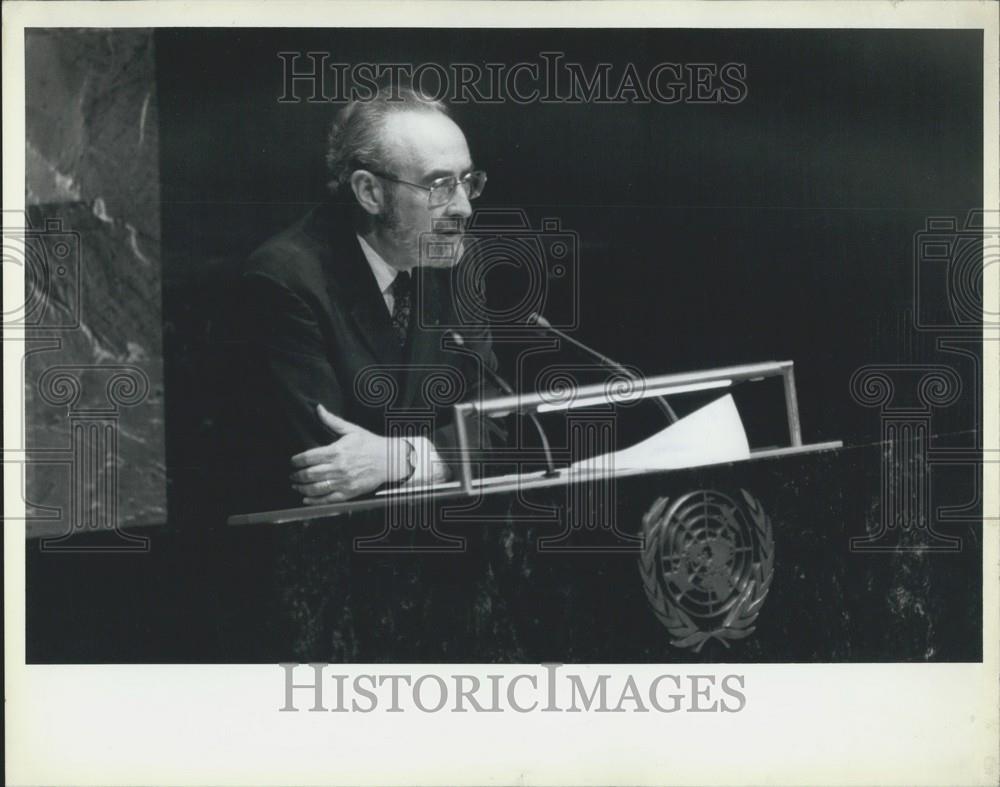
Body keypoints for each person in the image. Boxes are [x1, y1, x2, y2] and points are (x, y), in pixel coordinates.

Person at [231, 86, 517, 661]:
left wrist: (402, 459)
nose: (463, 206)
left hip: (452, 578)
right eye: (439, 185)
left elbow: (498, 426)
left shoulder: (456, 261)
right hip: (328, 600)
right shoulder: (285, 279)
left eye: (468, 181)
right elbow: (326, 469)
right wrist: (441, 454)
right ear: (368, 191)